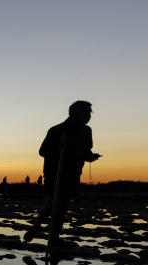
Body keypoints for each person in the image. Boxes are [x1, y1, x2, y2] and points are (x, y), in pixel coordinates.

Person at [24, 100, 101, 245]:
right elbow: (43, 151)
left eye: (89, 114)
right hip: (55, 173)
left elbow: (85, 151)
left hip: (73, 173)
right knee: (53, 204)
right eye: (86, 114)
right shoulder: (57, 130)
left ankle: (52, 235)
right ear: (75, 114)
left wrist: (90, 157)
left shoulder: (86, 131)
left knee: (62, 205)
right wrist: (58, 147)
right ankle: (40, 229)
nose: (89, 117)